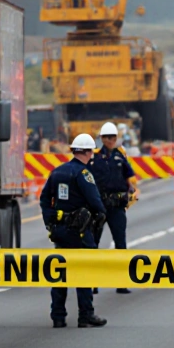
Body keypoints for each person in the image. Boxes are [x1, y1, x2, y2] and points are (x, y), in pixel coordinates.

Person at [40, 134, 108, 328]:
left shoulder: (57, 172)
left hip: (60, 231)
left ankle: (58, 316)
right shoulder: (84, 173)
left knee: (60, 272)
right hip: (80, 231)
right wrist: (101, 214)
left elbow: (45, 200)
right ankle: (85, 315)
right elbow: (95, 201)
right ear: (88, 152)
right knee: (84, 271)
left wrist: (50, 223)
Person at [91, 122, 137, 294]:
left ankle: (121, 282)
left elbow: (129, 177)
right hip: (98, 207)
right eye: (107, 137)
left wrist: (132, 192)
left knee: (120, 244)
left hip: (117, 207)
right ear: (102, 139)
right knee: (93, 244)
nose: (110, 140)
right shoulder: (93, 157)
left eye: (113, 137)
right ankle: (92, 283)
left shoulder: (120, 156)